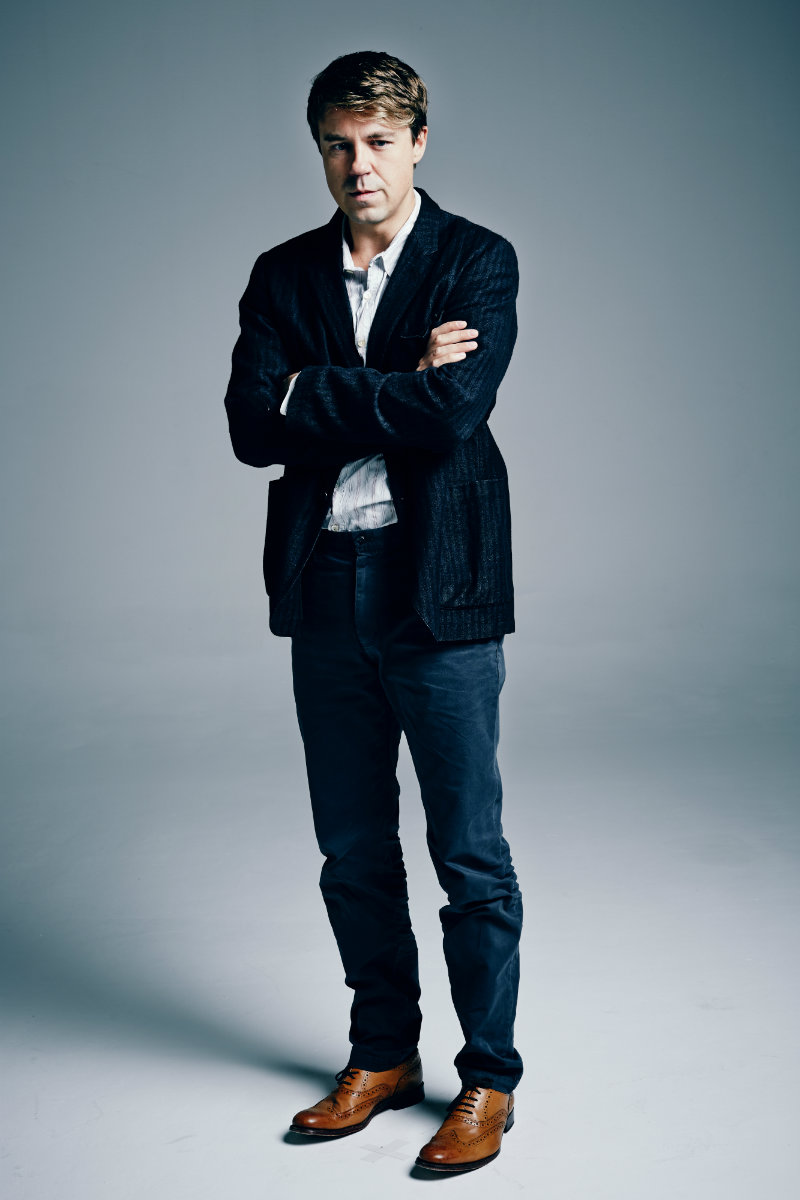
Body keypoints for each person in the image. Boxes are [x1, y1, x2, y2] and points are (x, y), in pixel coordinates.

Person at [224, 50, 523, 1174]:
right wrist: (400, 379)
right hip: (325, 581)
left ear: (418, 143)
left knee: (468, 854)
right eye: (339, 145)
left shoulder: (475, 260)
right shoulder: (283, 273)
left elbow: (453, 413)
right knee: (351, 846)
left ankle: (487, 1078)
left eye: (380, 143)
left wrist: (315, 389)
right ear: (320, 151)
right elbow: (251, 426)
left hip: (436, 584)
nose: (360, 165)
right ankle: (383, 1055)